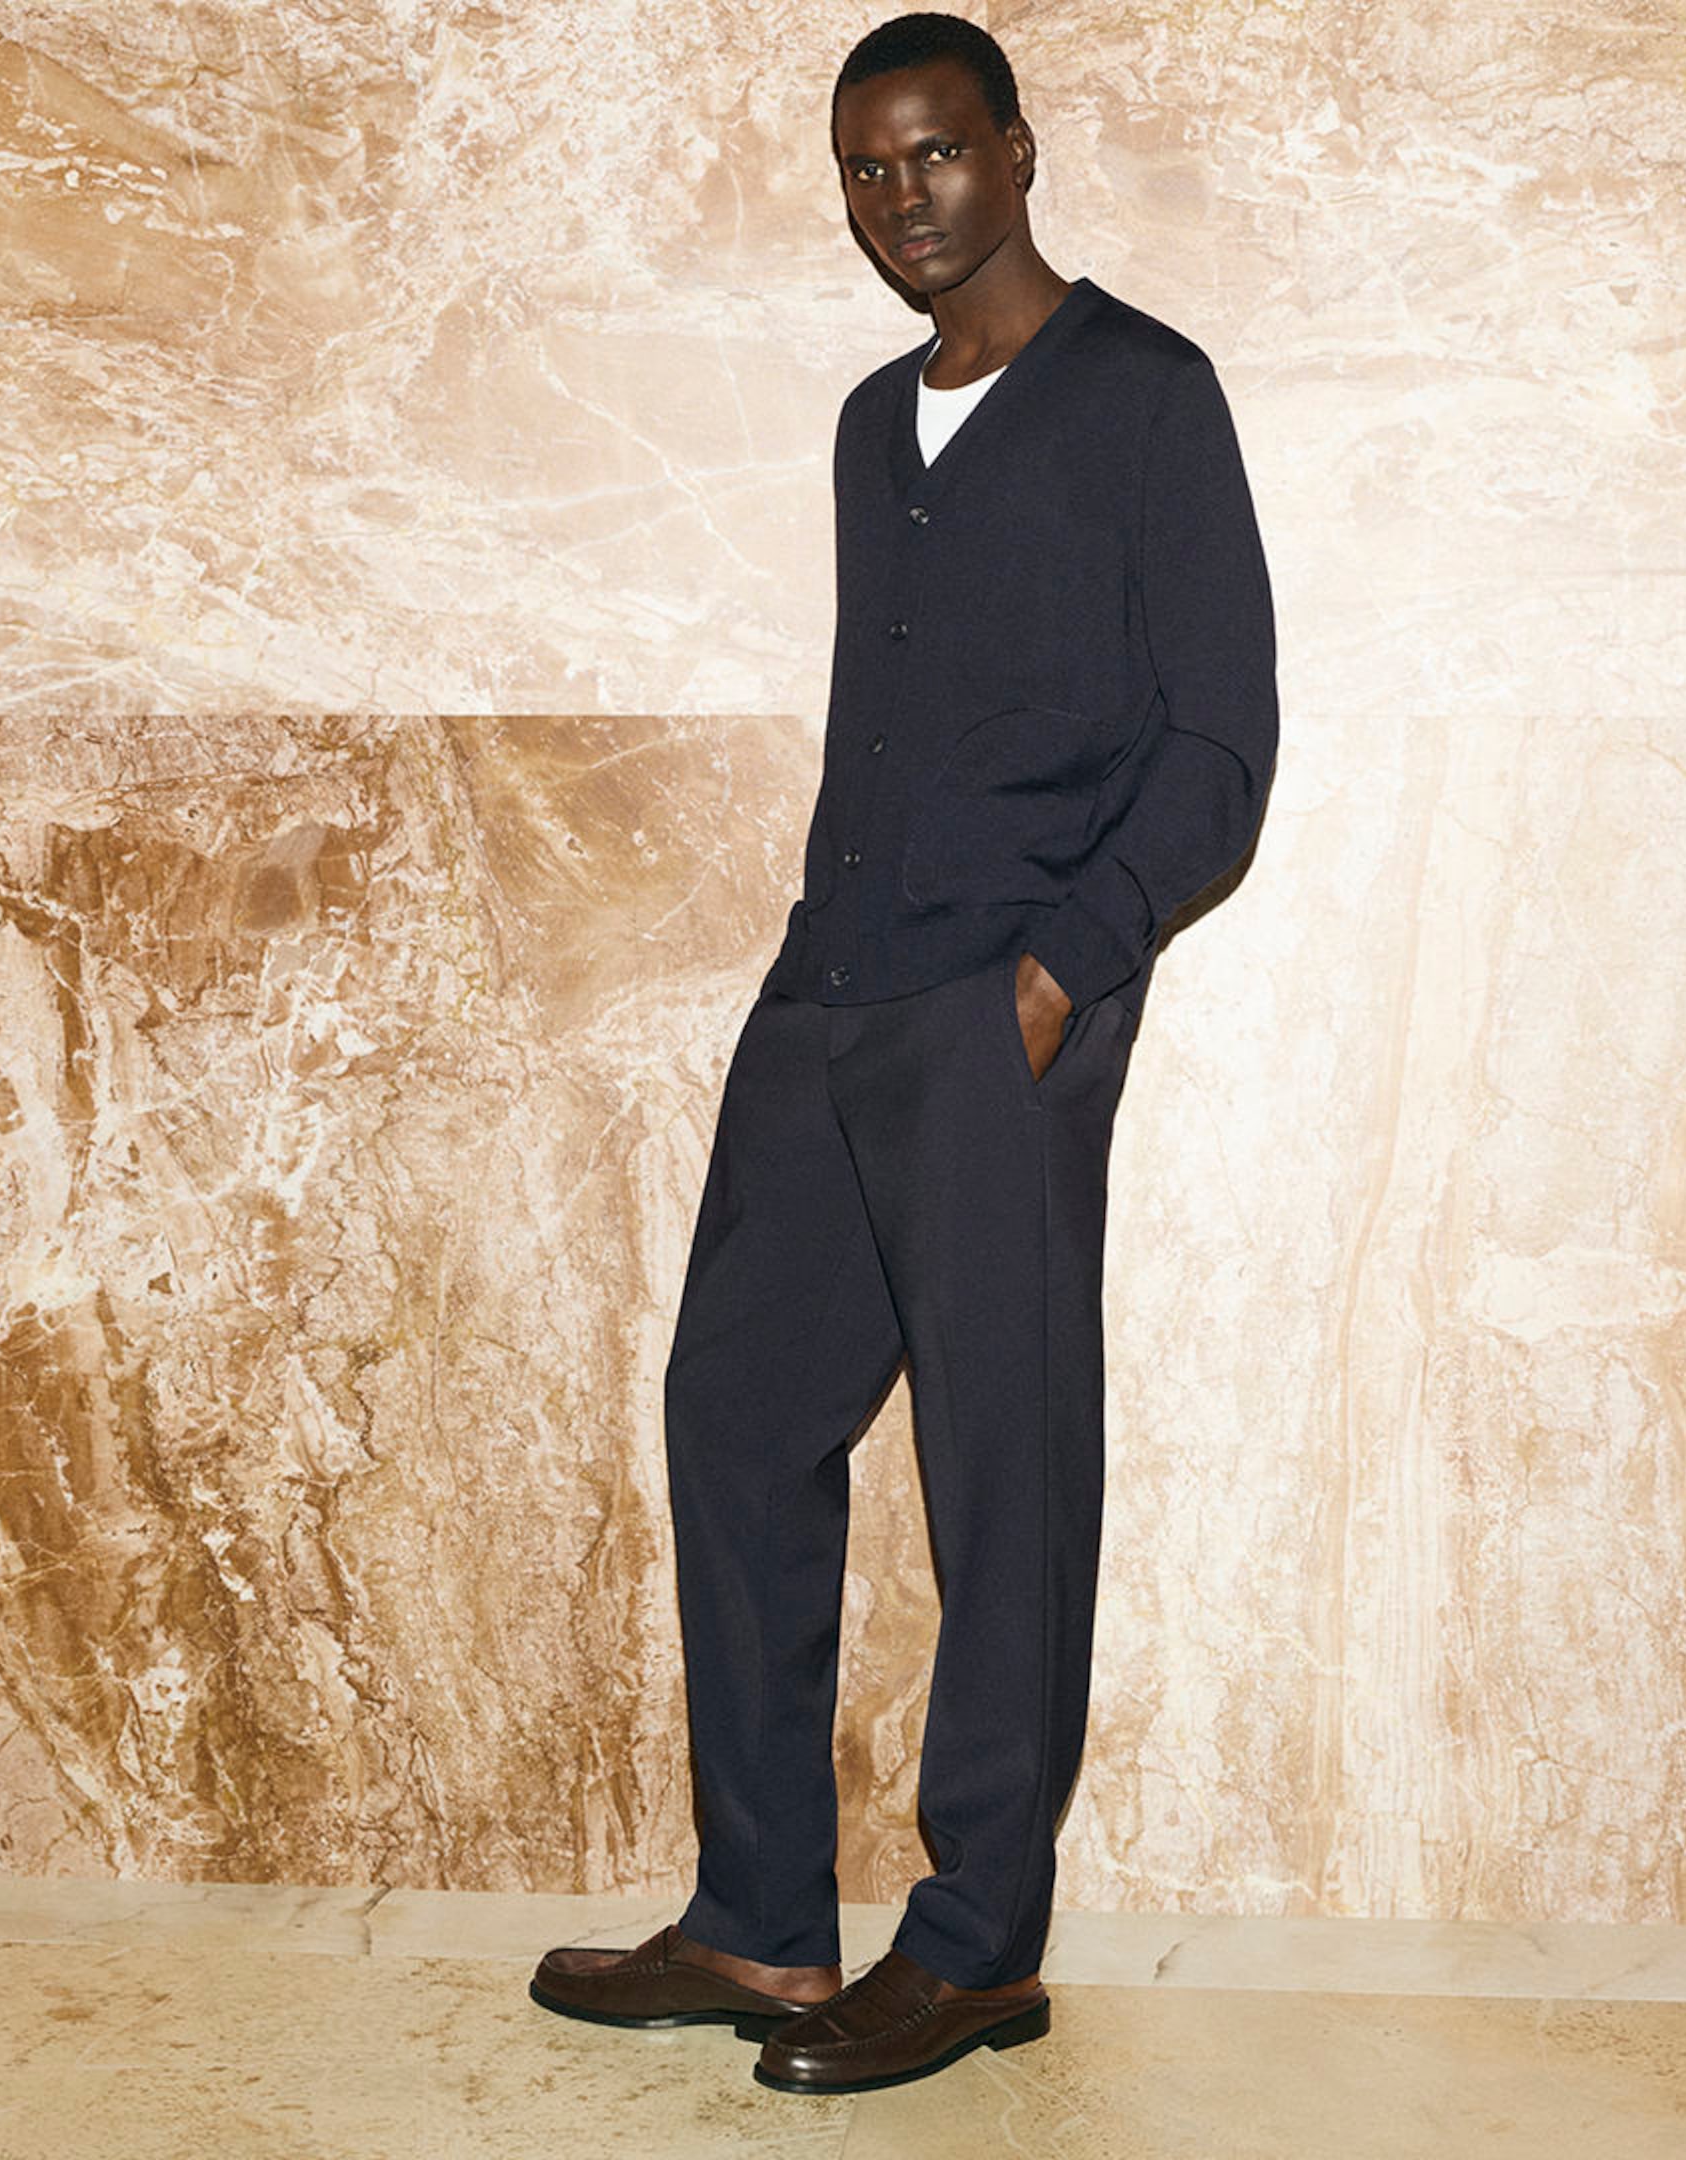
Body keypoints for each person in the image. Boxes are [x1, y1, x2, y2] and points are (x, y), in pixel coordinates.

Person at [529, 10, 1277, 2095]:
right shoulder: (875, 423)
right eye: (864, 171)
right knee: (736, 1422)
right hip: (826, 995)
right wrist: (814, 965)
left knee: (999, 1478)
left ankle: (976, 1951)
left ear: (1018, 155)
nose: (899, 202)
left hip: (993, 1019)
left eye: (933, 157)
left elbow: (1218, 747)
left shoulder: (1144, 396)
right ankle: (767, 1927)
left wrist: (1059, 975)